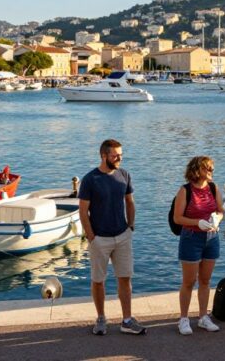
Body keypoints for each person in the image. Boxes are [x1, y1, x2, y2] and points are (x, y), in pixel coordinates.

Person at [78, 139, 146, 336]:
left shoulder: (124, 175)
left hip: (122, 235)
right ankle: (101, 318)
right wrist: (92, 237)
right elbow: (83, 212)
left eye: (121, 155)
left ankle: (126, 320)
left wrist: (130, 226)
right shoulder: (90, 179)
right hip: (100, 238)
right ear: (104, 155)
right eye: (115, 155)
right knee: (98, 280)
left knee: (125, 278)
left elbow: (130, 202)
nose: (119, 158)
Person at [172, 156, 224, 335]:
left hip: (211, 237)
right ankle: (184, 319)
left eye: (212, 168)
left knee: (205, 280)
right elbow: (177, 218)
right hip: (191, 238)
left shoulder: (213, 187)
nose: (211, 171)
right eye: (207, 168)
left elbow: (220, 210)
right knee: (189, 281)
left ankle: (203, 317)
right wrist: (197, 222)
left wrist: (217, 219)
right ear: (197, 170)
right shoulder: (185, 190)